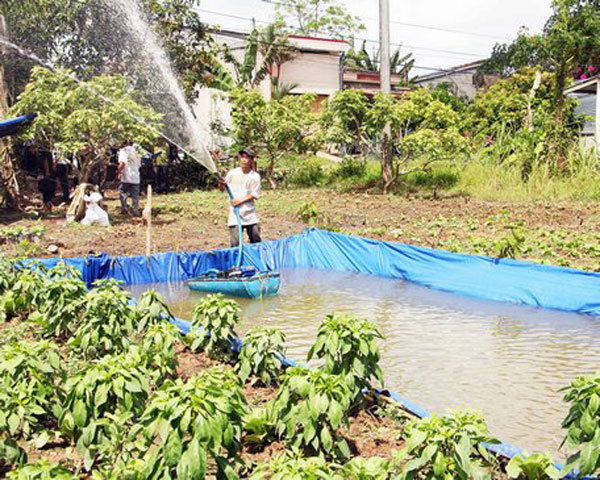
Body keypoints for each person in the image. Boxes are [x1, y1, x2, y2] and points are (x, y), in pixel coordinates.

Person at [219, 148, 262, 247]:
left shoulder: (255, 176)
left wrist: (240, 201)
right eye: (242, 157)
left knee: (256, 239)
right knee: (235, 243)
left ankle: (256, 260)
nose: (244, 160)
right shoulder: (232, 173)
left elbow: (254, 194)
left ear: (251, 160)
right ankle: (236, 261)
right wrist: (221, 183)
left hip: (250, 213)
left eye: (247, 158)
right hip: (235, 213)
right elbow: (222, 189)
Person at [117, 141, 141, 216]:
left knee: (122, 192)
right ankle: (136, 210)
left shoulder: (124, 151)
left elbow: (122, 163)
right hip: (136, 177)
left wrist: (119, 172)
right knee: (135, 195)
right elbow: (139, 165)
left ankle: (124, 209)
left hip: (127, 175)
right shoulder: (136, 152)